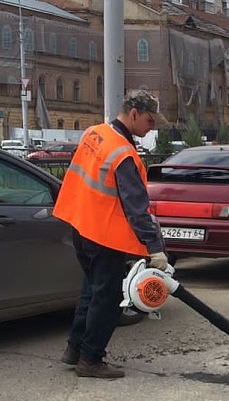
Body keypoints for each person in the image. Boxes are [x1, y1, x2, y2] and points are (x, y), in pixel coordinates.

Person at [53, 89, 170, 379]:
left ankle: (74, 349)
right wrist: (155, 247)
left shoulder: (94, 134)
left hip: (80, 225)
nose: (151, 127)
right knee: (106, 300)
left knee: (91, 291)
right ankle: (90, 359)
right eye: (149, 120)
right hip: (103, 235)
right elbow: (136, 207)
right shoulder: (123, 154)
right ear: (133, 114)